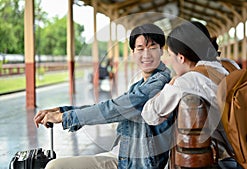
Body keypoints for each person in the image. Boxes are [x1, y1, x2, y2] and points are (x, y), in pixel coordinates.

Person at [33, 23, 174, 169]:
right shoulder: (139, 85)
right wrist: (65, 110)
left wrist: (64, 117)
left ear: (161, 50)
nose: (146, 54)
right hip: (121, 155)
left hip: (133, 163)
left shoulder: (159, 85)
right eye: (140, 48)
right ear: (133, 52)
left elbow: (113, 109)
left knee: (55, 167)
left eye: (152, 47)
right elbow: (111, 105)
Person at [141, 21, 242, 168]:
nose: (170, 61)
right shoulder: (230, 65)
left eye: (170, 55)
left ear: (181, 58)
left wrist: (171, 83)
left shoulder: (187, 82)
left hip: (229, 161)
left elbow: (150, 114)